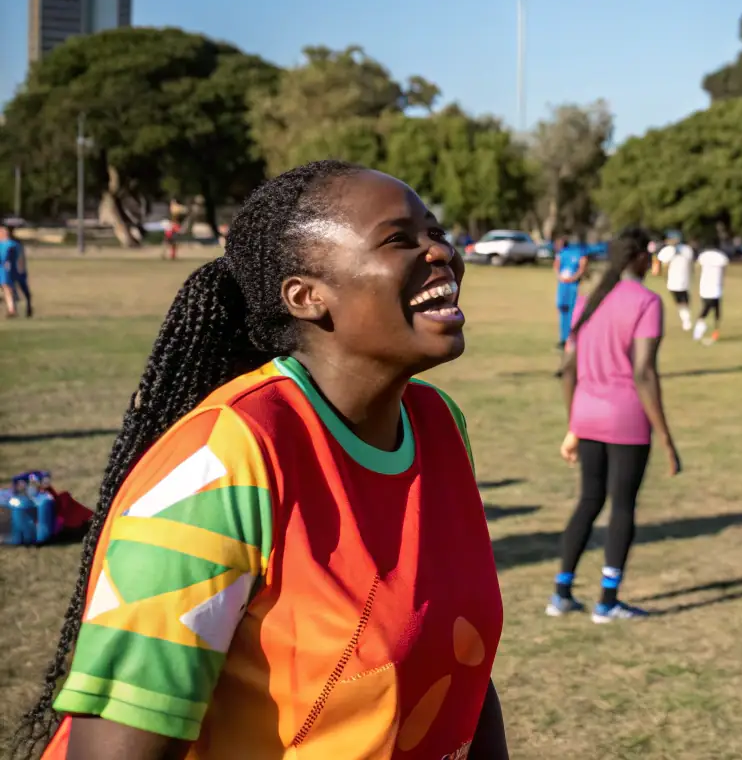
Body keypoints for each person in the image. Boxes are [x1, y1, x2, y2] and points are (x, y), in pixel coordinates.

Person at [11, 161, 507, 760]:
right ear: (306, 297)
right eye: (400, 239)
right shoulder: (222, 459)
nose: (440, 253)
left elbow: (458, 665)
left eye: (436, 232)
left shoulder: (438, 424)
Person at [551, 229, 681, 623]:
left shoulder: (589, 300)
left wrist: (574, 421)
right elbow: (643, 372)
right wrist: (666, 437)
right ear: (639, 258)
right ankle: (607, 601)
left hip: (588, 414)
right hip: (626, 417)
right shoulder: (647, 301)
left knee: (589, 500)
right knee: (621, 504)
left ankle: (562, 592)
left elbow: (569, 370)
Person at [554, 235, 589, 349]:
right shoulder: (562, 253)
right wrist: (559, 276)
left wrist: (574, 278)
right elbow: (556, 265)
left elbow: (583, 266)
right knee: (562, 310)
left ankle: (571, 338)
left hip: (573, 286)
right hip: (563, 285)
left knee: (572, 311)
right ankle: (563, 338)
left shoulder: (579, 252)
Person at [693, 239, 730, 344]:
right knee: (711, 309)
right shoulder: (721, 257)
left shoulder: (703, 255)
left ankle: (713, 331)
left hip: (705, 285)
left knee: (712, 308)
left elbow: (698, 267)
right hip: (715, 286)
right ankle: (700, 329)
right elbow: (724, 270)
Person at [654, 238, 695, 332]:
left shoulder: (685, 249)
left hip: (683, 280)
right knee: (681, 301)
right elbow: (660, 261)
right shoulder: (669, 250)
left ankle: (686, 320)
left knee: (683, 301)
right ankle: (686, 319)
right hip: (674, 281)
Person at [1, 222, 33, 319]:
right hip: (5, 269)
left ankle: (14, 309)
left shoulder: (12, 244)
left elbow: (9, 257)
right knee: (8, 288)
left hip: (9, 269)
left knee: (9, 288)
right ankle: (12, 308)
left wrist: (21, 268)